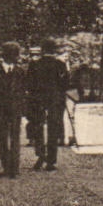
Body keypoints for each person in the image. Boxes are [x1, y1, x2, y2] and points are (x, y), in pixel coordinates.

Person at [26, 40, 70, 171]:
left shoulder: (34, 64)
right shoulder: (60, 65)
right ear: (55, 51)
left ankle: (40, 154)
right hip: (55, 101)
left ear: (42, 51)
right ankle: (51, 160)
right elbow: (66, 83)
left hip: (38, 100)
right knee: (53, 129)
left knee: (38, 126)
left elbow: (29, 83)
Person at [0, 42, 27, 178]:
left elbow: (23, 91)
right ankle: (6, 166)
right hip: (1, 108)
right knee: (2, 138)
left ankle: (14, 168)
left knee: (15, 137)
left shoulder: (21, 71)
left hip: (15, 108)